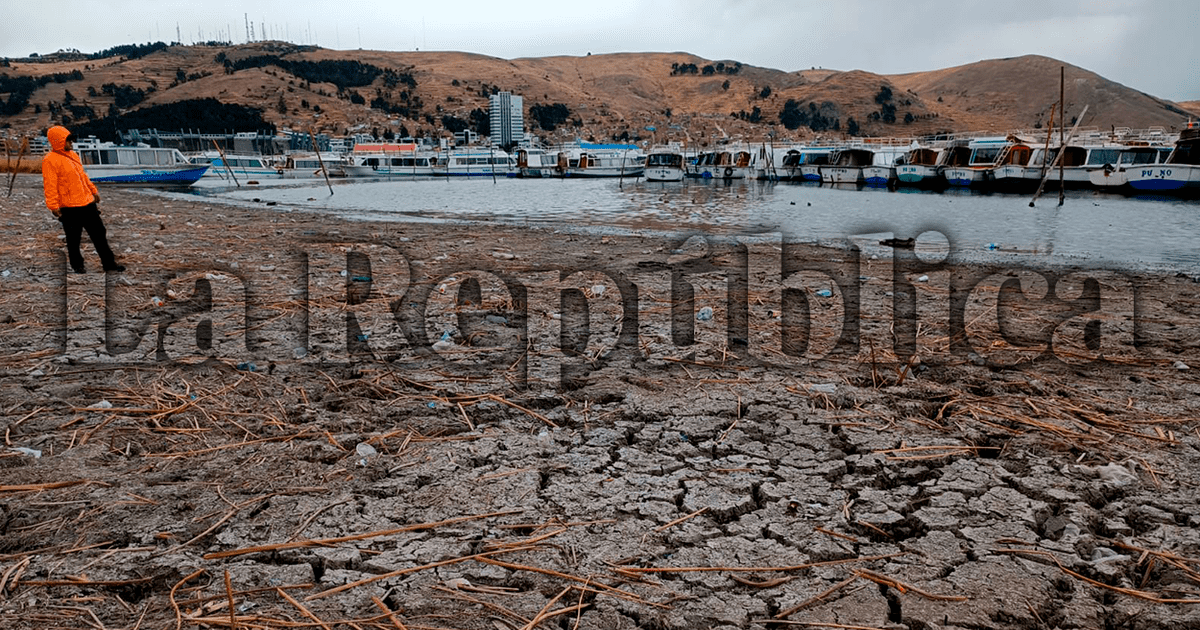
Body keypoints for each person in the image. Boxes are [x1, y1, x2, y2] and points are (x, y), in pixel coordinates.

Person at [41, 125, 125, 273]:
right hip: (69, 207)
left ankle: (109, 265)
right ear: (59, 141)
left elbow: (83, 176)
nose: (71, 143)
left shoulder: (73, 155)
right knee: (73, 239)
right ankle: (77, 266)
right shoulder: (50, 160)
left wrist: (94, 191)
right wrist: (53, 206)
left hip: (87, 203)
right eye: (69, 140)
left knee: (99, 235)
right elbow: (50, 184)